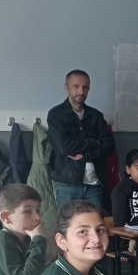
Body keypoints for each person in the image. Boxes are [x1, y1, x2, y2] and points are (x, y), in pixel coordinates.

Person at [46, 69, 116, 209]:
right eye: (76, 86)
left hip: (95, 184)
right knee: (68, 221)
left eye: (85, 87)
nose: (81, 91)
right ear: (67, 87)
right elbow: (64, 147)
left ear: (89, 89)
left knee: (95, 221)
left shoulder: (96, 115)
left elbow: (109, 145)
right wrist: (94, 142)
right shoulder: (56, 115)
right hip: (67, 184)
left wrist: (86, 155)